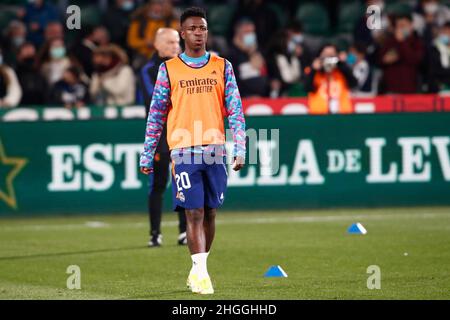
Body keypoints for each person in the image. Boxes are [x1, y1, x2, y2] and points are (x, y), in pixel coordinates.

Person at [140, 7, 246, 295]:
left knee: (211, 212)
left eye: (203, 28)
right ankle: (202, 274)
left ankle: (198, 268)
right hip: (183, 150)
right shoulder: (168, 69)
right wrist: (148, 152)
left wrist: (240, 145)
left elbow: (235, 108)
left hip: (215, 149)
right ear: (183, 33)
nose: (199, 33)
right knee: (194, 211)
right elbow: (156, 114)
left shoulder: (222, 66)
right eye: (193, 29)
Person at [139, 28, 187, 247]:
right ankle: (155, 233)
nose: (174, 46)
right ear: (157, 45)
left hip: (183, 133)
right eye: (169, 42)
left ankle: (185, 231)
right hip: (160, 136)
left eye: (176, 42)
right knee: (158, 185)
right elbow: (155, 100)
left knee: (184, 183)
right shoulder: (149, 70)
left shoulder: (187, 67)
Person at [304, 44, 358, 114]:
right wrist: (314, 70)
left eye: (332, 55)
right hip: (319, 115)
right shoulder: (314, 72)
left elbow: (353, 84)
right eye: (325, 54)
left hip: (342, 115)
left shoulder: (342, 71)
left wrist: (342, 64)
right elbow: (307, 88)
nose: (328, 58)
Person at [378, 14, 425, 94]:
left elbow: (414, 60)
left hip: (410, 90)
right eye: (398, 26)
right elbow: (382, 60)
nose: (400, 28)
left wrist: (402, 42)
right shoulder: (389, 42)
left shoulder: (417, 42)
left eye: (403, 25)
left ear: (411, 25)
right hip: (390, 90)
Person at [228, 18, 269, 97]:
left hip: (262, 98)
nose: (250, 35)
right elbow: (233, 81)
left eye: (252, 32)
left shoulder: (257, 51)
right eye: (247, 32)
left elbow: (264, 74)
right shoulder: (231, 53)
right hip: (244, 99)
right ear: (238, 32)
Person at [428, 21, 450, 93]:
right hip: (439, 88)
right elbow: (432, 69)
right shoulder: (434, 47)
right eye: (445, 31)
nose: (447, 34)